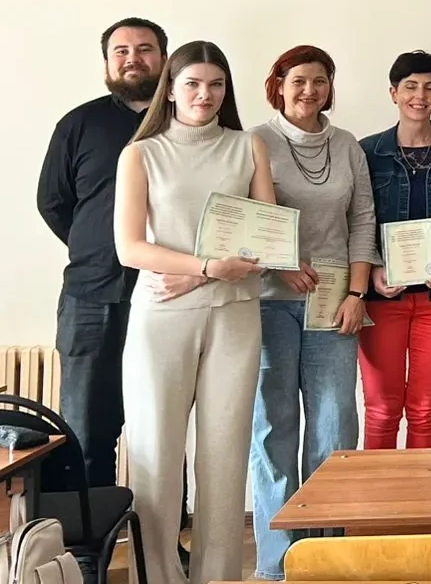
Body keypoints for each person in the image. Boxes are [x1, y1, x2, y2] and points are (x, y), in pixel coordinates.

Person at [113, 40, 269, 584]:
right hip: (162, 315)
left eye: (216, 84)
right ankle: (156, 575)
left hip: (235, 314)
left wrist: (206, 273)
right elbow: (129, 247)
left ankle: (218, 577)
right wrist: (204, 266)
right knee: (155, 454)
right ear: (171, 90)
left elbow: (267, 236)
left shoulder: (248, 146)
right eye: (194, 84)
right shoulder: (142, 153)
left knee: (225, 455)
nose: (206, 94)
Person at [249, 45, 378, 581]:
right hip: (269, 304)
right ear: (278, 85)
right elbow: (247, 219)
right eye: (298, 80)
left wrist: (357, 293)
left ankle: (327, 558)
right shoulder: (254, 141)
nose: (309, 90)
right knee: (273, 430)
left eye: (320, 80)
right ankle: (278, 564)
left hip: (334, 304)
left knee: (334, 428)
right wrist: (281, 264)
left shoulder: (346, 145)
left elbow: (363, 218)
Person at [38, 17, 167, 488]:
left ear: (164, 58)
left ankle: (163, 532)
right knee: (85, 432)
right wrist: (99, 248)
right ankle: (90, 535)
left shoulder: (186, 122)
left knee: (163, 429)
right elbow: (53, 202)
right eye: (121, 51)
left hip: (169, 296)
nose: (133, 59)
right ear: (107, 63)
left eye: (145, 49)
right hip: (90, 299)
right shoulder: (79, 124)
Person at [358, 51, 431, 450]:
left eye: (429, 88)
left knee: (426, 408)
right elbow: (356, 218)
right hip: (381, 298)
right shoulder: (367, 152)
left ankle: (421, 491)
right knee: (381, 408)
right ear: (393, 93)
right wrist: (372, 268)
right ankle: (379, 492)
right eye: (410, 87)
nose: (419, 96)